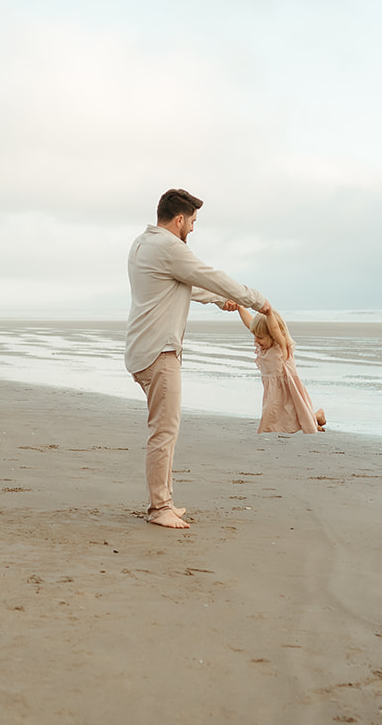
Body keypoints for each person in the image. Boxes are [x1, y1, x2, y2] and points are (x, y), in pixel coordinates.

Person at [126, 188, 272, 529]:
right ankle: (159, 507)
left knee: (165, 428)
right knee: (164, 430)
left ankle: (164, 501)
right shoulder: (169, 247)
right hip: (159, 351)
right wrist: (257, 301)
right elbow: (209, 275)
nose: (192, 228)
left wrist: (222, 302)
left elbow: (184, 283)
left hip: (142, 348)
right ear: (179, 220)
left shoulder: (144, 244)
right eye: (192, 222)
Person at [237, 306, 326, 433]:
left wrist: (269, 314)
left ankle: (317, 416)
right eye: (255, 336)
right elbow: (250, 324)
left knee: (294, 414)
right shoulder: (264, 348)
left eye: (260, 337)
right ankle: (316, 418)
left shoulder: (281, 347)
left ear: (274, 336)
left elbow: (274, 329)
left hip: (288, 388)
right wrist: (239, 308)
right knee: (283, 415)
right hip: (274, 390)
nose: (256, 340)